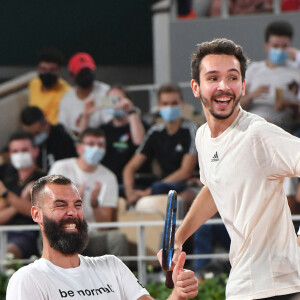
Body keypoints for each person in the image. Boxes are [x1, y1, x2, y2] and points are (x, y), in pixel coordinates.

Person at [170, 38, 300, 299]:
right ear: (196, 87)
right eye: (213, 78)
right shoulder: (203, 136)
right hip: (242, 284)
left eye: (232, 78)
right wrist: (179, 238)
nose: (223, 87)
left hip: (278, 286)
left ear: (242, 85)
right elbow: (214, 188)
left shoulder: (257, 134)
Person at [6, 174, 199, 299]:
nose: (72, 212)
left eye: (78, 205)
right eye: (61, 205)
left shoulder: (111, 265)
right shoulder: (27, 279)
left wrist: (178, 293)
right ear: (36, 214)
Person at [48, 127, 127, 257]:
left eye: (100, 145)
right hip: (64, 231)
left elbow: (104, 226)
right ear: (79, 148)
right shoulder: (61, 167)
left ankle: (123, 277)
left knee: (117, 238)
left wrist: (94, 205)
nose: (96, 148)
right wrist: (73, 203)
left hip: (92, 235)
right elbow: (51, 212)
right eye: (91, 144)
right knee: (56, 234)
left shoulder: (109, 177)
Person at [123, 83, 198, 207]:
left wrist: (148, 192)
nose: (170, 107)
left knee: (163, 191)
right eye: (165, 104)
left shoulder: (191, 129)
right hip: (162, 184)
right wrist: (130, 192)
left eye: (174, 103)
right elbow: (130, 168)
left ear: (182, 104)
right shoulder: (155, 131)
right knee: (120, 190)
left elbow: (186, 171)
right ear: (158, 106)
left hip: (188, 184)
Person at [78, 85, 147, 190]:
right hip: (104, 180)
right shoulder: (104, 129)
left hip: (129, 182)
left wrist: (131, 111)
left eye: (118, 100)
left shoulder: (139, 125)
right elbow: (82, 144)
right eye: (111, 100)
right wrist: (86, 115)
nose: (115, 104)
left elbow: (139, 142)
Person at [240, 20, 300, 133]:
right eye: (275, 46)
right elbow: (238, 106)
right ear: (267, 46)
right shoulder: (254, 69)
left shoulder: (296, 70)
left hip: (282, 125)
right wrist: (252, 95)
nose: (280, 50)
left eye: (285, 46)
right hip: (252, 122)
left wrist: (291, 106)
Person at [0, 131, 46, 258]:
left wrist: (6, 195)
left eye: (24, 150)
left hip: (28, 234)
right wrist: (21, 200)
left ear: (36, 151)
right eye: (15, 151)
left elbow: (40, 213)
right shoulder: (6, 176)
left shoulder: (44, 178)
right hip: (3, 231)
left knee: (7, 254)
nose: (19, 154)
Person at [58, 52, 111, 136]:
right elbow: (63, 129)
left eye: (88, 71)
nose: (86, 76)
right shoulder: (66, 99)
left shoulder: (105, 91)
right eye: (81, 73)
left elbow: (110, 121)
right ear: (72, 77)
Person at [20, 106, 77, 171]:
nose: (33, 138)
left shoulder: (63, 138)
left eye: (36, 133)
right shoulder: (21, 139)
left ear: (46, 124)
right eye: (29, 135)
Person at [28, 47, 71, 125]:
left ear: (59, 70)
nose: (47, 73)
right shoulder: (34, 83)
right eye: (43, 69)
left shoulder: (66, 93)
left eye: (52, 70)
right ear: (38, 69)